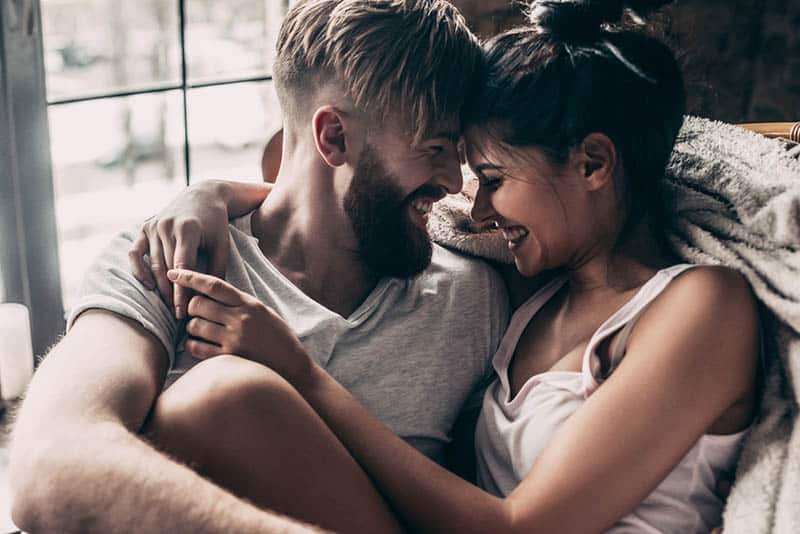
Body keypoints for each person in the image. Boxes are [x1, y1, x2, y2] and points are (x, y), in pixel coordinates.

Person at [131, 0, 760, 531]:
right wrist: (209, 194)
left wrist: (299, 371)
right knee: (209, 408)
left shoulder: (704, 307)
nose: (475, 209)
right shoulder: (530, 296)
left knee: (227, 399)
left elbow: (520, 528)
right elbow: (315, 179)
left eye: (491, 178)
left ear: (593, 165)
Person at [8, 2, 510, 533]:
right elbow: (49, 466)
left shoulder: (471, 296)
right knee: (223, 393)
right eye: (434, 148)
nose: (455, 182)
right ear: (333, 138)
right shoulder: (169, 260)